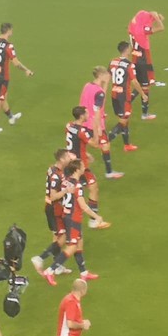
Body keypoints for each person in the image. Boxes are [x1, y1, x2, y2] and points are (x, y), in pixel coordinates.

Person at [42, 160, 108, 287]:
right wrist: (96, 217)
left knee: (79, 244)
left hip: (68, 216)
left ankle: (84, 273)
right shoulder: (77, 186)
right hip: (73, 218)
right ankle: (50, 271)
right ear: (77, 170)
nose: (84, 167)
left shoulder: (66, 181)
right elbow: (83, 206)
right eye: (82, 166)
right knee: (72, 247)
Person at [31, 148, 75, 276]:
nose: (69, 158)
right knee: (64, 236)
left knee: (58, 236)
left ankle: (57, 266)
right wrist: (66, 190)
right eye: (67, 157)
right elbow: (53, 196)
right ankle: (40, 258)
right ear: (61, 159)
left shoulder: (54, 169)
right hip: (54, 208)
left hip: (54, 208)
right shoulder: (56, 175)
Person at [79, 66, 124, 179]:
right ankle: (107, 172)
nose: (108, 76)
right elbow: (97, 110)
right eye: (105, 74)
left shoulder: (87, 85)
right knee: (103, 145)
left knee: (84, 148)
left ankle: (80, 174)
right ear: (100, 75)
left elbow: (83, 103)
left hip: (84, 122)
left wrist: (106, 83)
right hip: (94, 124)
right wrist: (98, 127)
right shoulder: (99, 93)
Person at [65, 106, 105, 227]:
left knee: (74, 190)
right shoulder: (82, 131)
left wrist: (85, 153)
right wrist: (96, 126)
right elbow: (95, 144)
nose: (88, 115)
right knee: (93, 188)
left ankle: (70, 217)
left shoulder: (69, 126)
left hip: (70, 162)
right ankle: (94, 220)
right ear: (82, 116)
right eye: (86, 113)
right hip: (79, 166)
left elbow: (74, 143)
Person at [108, 41, 147, 152]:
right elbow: (134, 81)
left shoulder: (113, 62)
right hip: (123, 97)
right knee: (123, 122)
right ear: (127, 50)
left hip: (114, 95)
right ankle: (106, 141)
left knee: (124, 120)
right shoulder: (129, 65)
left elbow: (108, 76)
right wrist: (143, 94)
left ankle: (127, 145)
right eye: (130, 47)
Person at [128, 9, 165, 120]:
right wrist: (157, 18)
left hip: (135, 57)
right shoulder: (143, 30)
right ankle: (145, 114)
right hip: (143, 60)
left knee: (139, 84)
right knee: (145, 86)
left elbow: (146, 22)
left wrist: (155, 17)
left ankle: (127, 102)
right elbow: (161, 27)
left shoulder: (133, 26)